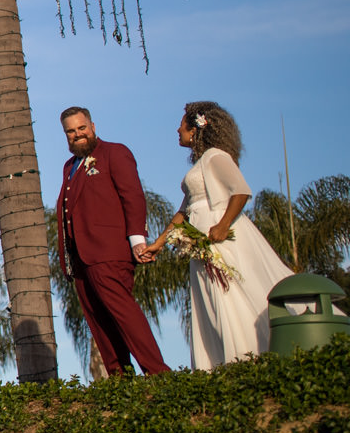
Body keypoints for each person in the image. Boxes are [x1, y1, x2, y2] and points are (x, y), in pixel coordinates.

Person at [140, 101, 291, 369]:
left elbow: (241, 190)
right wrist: (160, 243)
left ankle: (244, 356)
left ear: (196, 128)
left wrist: (222, 225)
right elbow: (184, 211)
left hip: (218, 236)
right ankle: (219, 362)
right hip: (199, 240)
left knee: (228, 294)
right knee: (209, 299)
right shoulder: (201, 163)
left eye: (182, 124)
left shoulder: (215, 156)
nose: (177, 129)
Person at [54, 106, 170, 376]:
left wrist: (137, 240)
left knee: (124, 315)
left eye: (81, 128)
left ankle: (158, 372)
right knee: (99, 322)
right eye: (70, 131)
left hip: (109, 251)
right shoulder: (69, 167)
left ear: (92, 126)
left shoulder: (114, 153)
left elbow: (133, 196)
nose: (77, 135)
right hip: (80, 260)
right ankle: (120, 377)